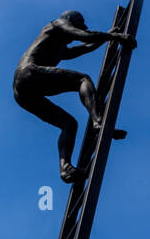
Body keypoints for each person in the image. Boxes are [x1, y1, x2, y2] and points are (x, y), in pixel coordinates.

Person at [13, 10, 136, 183]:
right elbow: (83, 36)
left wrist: (106, 37)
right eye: (80, 24)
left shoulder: (58, 47)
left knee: (69, 124)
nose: (83, 28)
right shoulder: (58, 24)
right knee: (82, 79)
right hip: (30, 73)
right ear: (71, 20)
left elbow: (82, 48)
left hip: (23, 92)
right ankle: (98, 121)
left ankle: (65, 168)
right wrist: (115, 37)